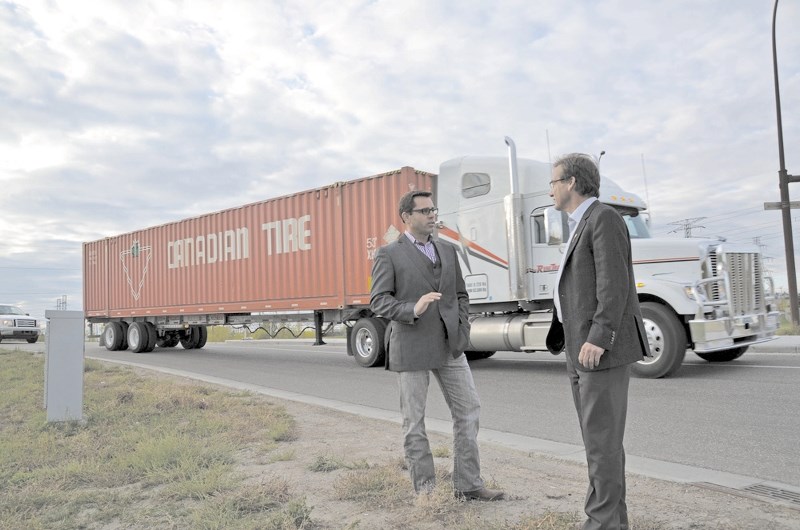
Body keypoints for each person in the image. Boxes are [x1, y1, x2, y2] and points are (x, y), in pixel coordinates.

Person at [370, 189, 503, 501]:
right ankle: (427, 493)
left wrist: (463, 326)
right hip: (411, 345)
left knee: (469, 410)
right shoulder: (389, 253)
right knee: (414, 422)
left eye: (434, 210)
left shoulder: (447, 249)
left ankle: (468, 485)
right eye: (425, 211)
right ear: (406, 217)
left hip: (450, 346)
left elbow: (460, 295)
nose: (432, 215)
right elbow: (378, 300)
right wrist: (412, 309)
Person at [545, 153, 650, 529]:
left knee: (602, 441)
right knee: (599, 442)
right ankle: (611, 521)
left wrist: (600, 337)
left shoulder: (603, 218)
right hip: (577, 348)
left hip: (596, 351)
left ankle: (602, 523)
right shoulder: (579, 223)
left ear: (572, 182)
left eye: (554, 181)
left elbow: (614, 283)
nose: (551, 189)